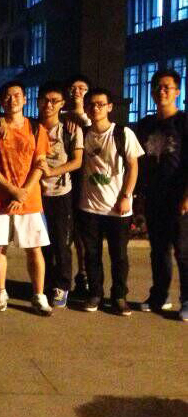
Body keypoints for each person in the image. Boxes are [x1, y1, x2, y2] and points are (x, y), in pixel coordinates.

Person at [0, 81, 52, 316]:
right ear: (1, 100)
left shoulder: (37, 129)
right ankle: (1, 292)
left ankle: (39, 295)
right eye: (8, 96)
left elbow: (40, 164)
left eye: (17, 95)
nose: (12, 100)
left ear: (25, 99)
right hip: (0, 199)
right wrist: (12, 190)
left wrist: (23, 193)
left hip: (29, 200)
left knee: (34, 249)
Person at [77, 88, 144, 316]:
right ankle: (95, 294)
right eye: (91, 104)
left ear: (109, 107)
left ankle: (119, 296)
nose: (95, 108)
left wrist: (126, 196)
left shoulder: (122, 133)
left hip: (117, 207)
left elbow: (133, 167)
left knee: (119, 256)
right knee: (91, 254)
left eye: (100, 104)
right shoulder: (83, 134)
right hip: (89, 206)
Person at [136, 68, 188, 320]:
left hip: (178, 196)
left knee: (183, 250)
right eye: (157, 86)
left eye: (167, 87)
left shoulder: (183, 122)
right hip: (154, 195)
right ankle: (159, 295)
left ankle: (186, 300)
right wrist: (139, 194)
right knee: (158, 249)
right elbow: (137, 159)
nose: (161, 91)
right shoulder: (146, 124)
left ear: (177, 91)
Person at [36, 82, 84, 308]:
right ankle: (45, 282)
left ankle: (62, 285)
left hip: (60, 193)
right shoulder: (32, 128)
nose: (49, 105)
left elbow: (77, 161)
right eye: (45, 100)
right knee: (40, 242)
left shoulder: (69, 130)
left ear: (62, 104)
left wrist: (51, 172)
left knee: (61, 243)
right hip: (36, 194)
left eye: (54, 101)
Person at [63, 74, 93, 296]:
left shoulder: (93, 117)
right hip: (63, 181)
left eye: (82, 88)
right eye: (73, 87)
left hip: (87, 181)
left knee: (84, 235)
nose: (77, 91)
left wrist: (82, 119)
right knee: (65, 234)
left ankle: (84, 276)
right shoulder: (60, 116)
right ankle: (60, 278)